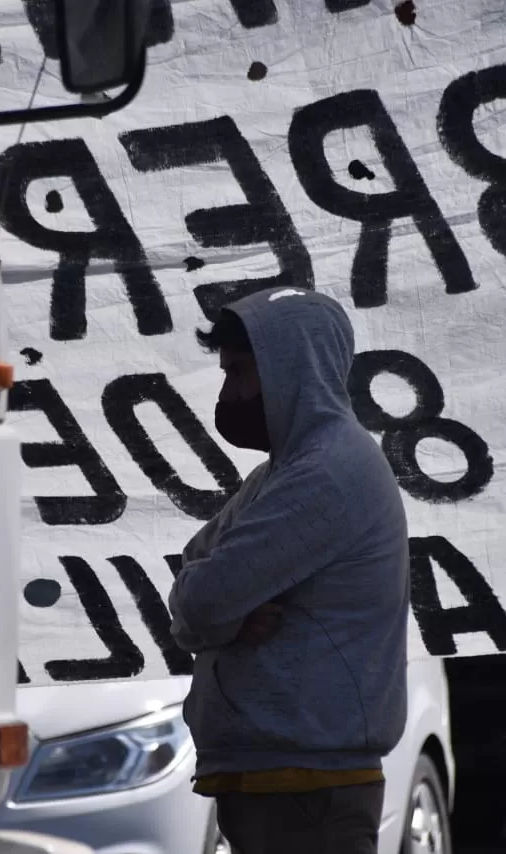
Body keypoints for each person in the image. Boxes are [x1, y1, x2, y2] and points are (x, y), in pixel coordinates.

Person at [167, 287, 410, 854]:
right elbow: (192, 585)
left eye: (242, 373)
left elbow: (201, 600)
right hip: (282, 780)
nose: (231, 393)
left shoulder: (327, 473)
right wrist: (222, 621)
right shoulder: (283, 473)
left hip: (307, 788)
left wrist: (212, 620)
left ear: (291, 368)